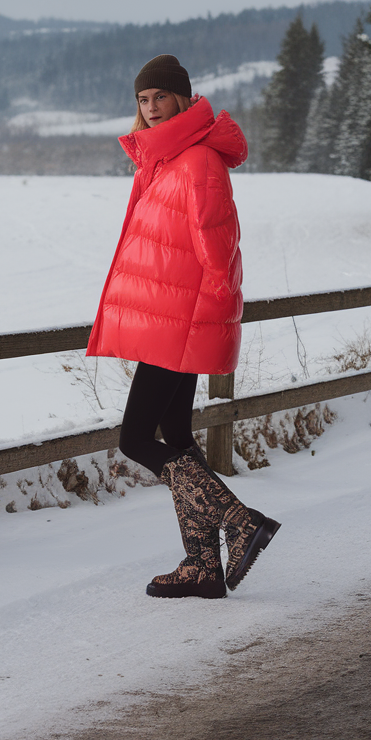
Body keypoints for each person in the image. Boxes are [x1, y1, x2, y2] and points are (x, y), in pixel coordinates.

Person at [87, 53, 280, 599]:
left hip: (182, 320)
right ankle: (203, 565)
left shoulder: (196, 162)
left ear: (183, 99)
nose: (150, 110)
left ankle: (239, 520)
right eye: (142, 101)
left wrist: (213, 309)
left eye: (160, 99)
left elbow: (219, 246)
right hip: (171, 318)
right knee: (174, 436)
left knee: (134, 438)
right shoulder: (165, 160)